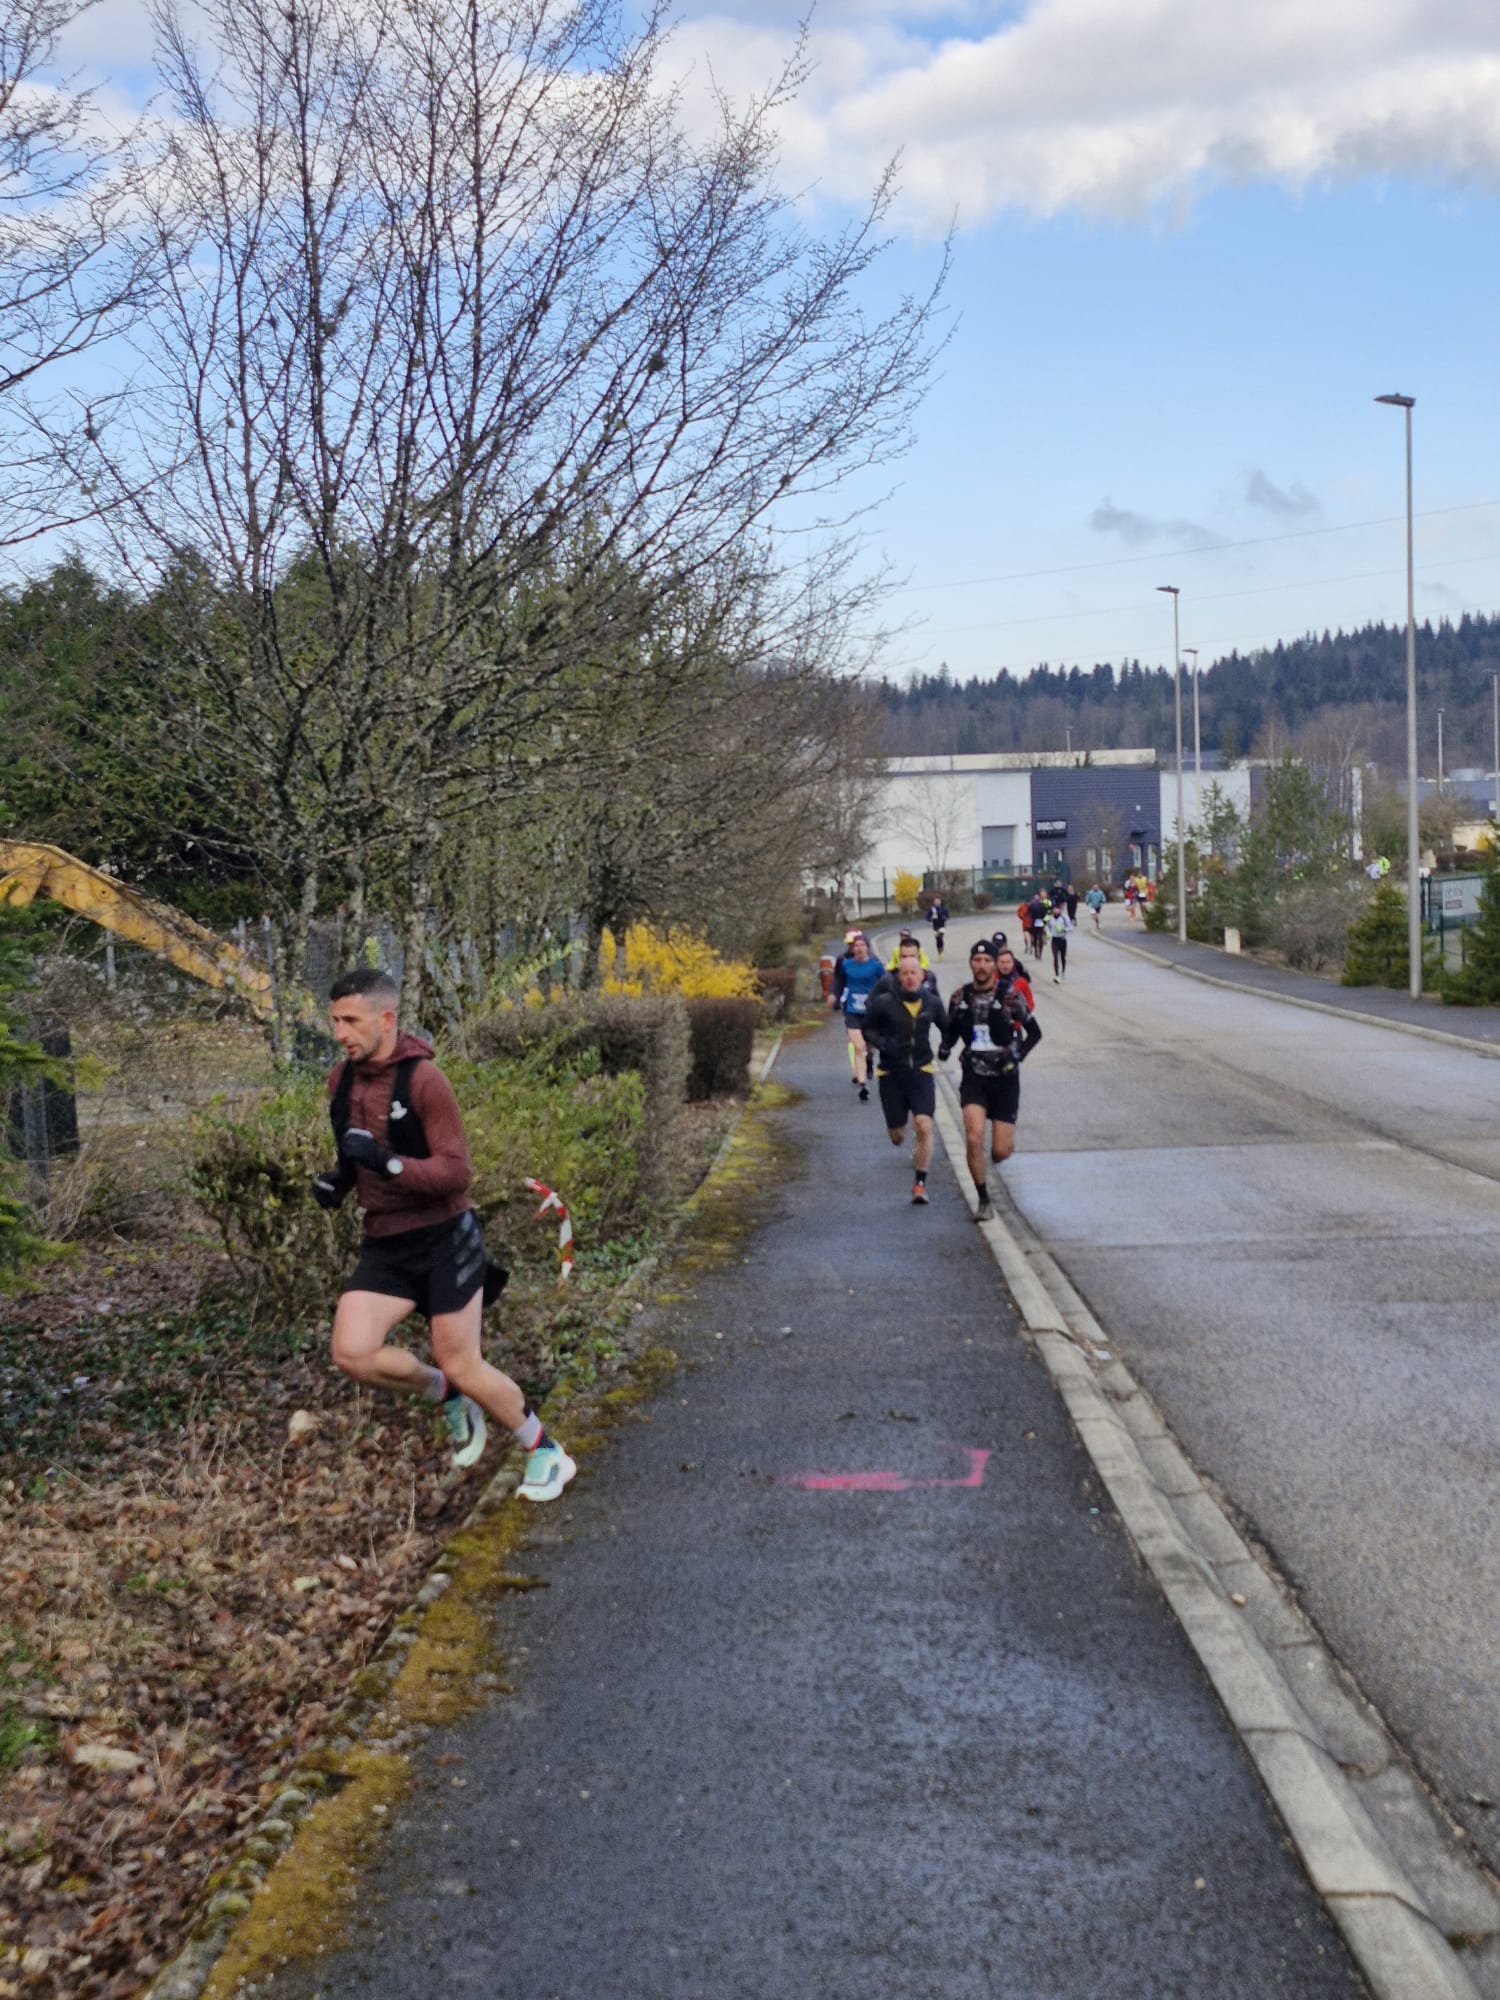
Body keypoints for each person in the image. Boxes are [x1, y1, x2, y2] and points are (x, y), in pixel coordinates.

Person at [315, 968, 575, 1500]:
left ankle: (546, 1451)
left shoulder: (425, 1081)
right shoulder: (340, 1081)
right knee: (352, 1352)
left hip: (444, 1239)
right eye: (335, 1021)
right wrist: (338, 1181)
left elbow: (456, 1173)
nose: (340, 1033)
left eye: (351, 1021)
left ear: (386, 1019)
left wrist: (388, 1165)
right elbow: (357, 1154)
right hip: (386, 1241)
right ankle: (447, 1394)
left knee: (463, 1360)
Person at [941, 939, 1042, 1223]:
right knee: (973, 1137)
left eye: (987, 961)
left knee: (1000, 1151)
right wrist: (945, 1047)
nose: (982, 965)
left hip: (1005, 1078)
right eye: (977, 960)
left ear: (995, 965)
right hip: (974, 1075)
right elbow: (951, 1031)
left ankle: (1001, 1148)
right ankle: (983, 1199)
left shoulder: (1010, 996)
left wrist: (1016, 1057)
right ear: (971, 963)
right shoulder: (959, 998)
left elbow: (1034, 1033)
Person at [865, 939, 949, 1205]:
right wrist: (882, 1043)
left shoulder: (932, 1002)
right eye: (905, 973)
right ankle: (902, 1132)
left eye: (914, 972)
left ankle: (920, 1184)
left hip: (921, 1070)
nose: (910, 977)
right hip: (891, 1074)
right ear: (899, 977)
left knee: (924, 1125)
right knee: (897, 1136)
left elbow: (947, 1027)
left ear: (922, 975)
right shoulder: (884, 1002)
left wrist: (946, 1047)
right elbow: (868, 1028)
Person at [828, 929, 883, 1101]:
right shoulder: (845, 964)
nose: (858, 948)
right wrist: (834, 995)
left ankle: (869, 1060)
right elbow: (838, 980)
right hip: (852, 1011)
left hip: (871, 1013)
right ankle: (862, 1085)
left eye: (861, 945)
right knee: (858, 1047)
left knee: (868, 1046)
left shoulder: (876, 965)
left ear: (867, 948)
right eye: (855, 945)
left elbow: (887, 984)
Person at [994, 941, 1035, 1012]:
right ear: (997, 963)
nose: (1005, 965)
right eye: (1002, 962)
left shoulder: (1021, 982)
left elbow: (1030, 1004)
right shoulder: (991, 981)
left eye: (1008, 962)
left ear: (1013, 963)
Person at [1046, 904, 1069, 983]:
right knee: (1055, 957)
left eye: (1057, 909)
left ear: (1060, 910)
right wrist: (1048, 933)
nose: (1056, 910)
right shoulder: (1050, 918)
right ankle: (1057, 975)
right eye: (1054, 909)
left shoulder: (1064, 918)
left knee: (1063, 957)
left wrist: (1064, 929)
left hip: (1062, 939)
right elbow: (1047, 926)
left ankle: (1063, 972)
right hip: (1054, 940)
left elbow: (1070, 927)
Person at [1025, 890, 1049, 961]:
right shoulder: (1043, 905)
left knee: (1035, 938)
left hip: (1034, 923)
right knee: (1040, 938)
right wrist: (1045, 922)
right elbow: (1046, 914)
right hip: (1040, 922)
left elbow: (1028, 914)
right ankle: (1040, 953)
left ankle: (1036, 952)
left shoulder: (1031, 905)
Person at [927, 894, 949, 959]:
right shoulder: (932, 909)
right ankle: (939, 952)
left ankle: (941, 951)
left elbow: (947, 915)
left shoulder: (943, 908)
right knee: (938, 940)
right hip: (935, 926)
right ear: (934, 902)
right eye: (936, 902)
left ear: (940, 902)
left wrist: (945, 918)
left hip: (942, 925)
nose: (937, 903)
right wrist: (930, 919)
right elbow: (927, 917)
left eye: (938, 901)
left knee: (940, 937)